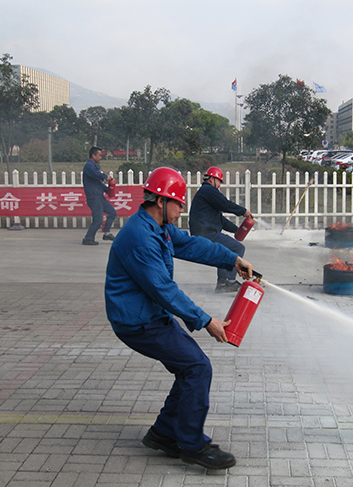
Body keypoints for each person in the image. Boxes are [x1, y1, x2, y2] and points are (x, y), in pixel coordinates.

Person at [105, 167, 254, 470]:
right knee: (197, 367)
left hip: (150, 314)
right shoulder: (139, 237)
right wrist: (206, 320)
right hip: (137, 322)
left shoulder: (158, 226)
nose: (181, 212)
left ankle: (164, 433)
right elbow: (163, 289)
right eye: (179, 205)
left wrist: (232, 259)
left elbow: (190, 244)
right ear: (161, 201)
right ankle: (193, 445)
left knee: (190, 368)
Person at [189, 166, 253, 293]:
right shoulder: (208, 190)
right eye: (219, 181)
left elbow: (220, 220)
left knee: (224, 250)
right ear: (212, 179)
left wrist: (236, 230)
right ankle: (229, 281)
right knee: (237, 248)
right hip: (206, 234)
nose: (219, 185)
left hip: (204, 232)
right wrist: (243, 211)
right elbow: (225, 204)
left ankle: (222, 284)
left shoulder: (205, 193)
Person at [82, 146, 117, 245]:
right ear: (93, 155)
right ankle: (88, 238)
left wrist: (108, 190)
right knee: (98, 220)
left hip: (99, 197)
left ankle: (106, 233)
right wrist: (105, 176)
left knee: (112, 213)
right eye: (99, 155)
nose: (100, 157)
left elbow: (99, 183)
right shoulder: (89, 166)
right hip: (94, 198)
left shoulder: (94, 167)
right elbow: (95, 174)